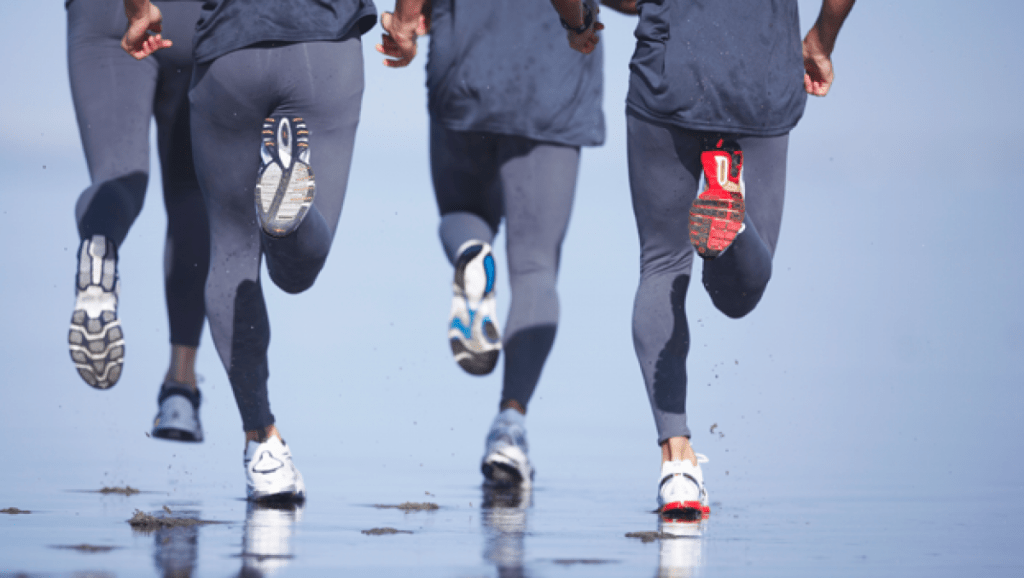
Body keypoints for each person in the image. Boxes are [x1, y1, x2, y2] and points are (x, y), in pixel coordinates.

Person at [550, 0, 856, 517]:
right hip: (762, 73)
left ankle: (678, 468)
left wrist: (577, 20)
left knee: (661, 265)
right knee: (739, 295)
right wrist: (822, 38)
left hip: (667, 73)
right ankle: (731, 216)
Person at [121, 0, 377, 501]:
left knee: (231, 248)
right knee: (296, 272)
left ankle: (262, 444)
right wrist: (407, 20)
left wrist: (137, 11)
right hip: (325, 44)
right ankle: (288, 217)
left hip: (227, 51)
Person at [377, 0, 635, 487]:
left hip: (464, 64)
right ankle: (509, 428)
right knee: (536, 267)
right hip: (554, 77)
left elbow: (411, 12)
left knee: (462, 214)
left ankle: (470, 253)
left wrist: (406, 24)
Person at [66, 0, 209, 442]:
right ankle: (180, 389)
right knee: (190, 193)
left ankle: (99, 245)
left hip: (103, 14)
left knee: (117, 176)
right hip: (191, 19)